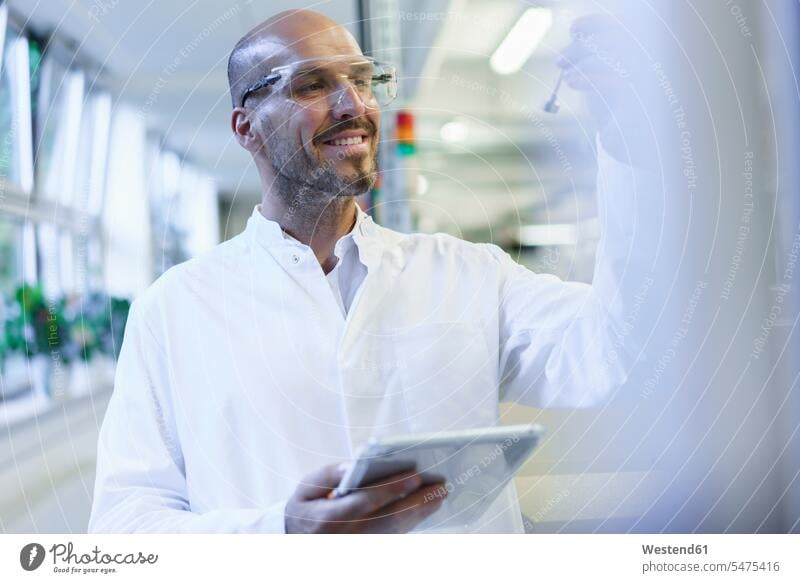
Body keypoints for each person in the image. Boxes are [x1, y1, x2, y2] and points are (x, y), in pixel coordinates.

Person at [89, 9, 651, 534]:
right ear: (246, 127)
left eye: (362, 80)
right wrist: (279, 532)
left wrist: (629, 148)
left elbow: (615, 353)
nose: (352, 105)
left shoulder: (470, 273)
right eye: (312, 84)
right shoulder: (175, 308)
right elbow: (124, 525)